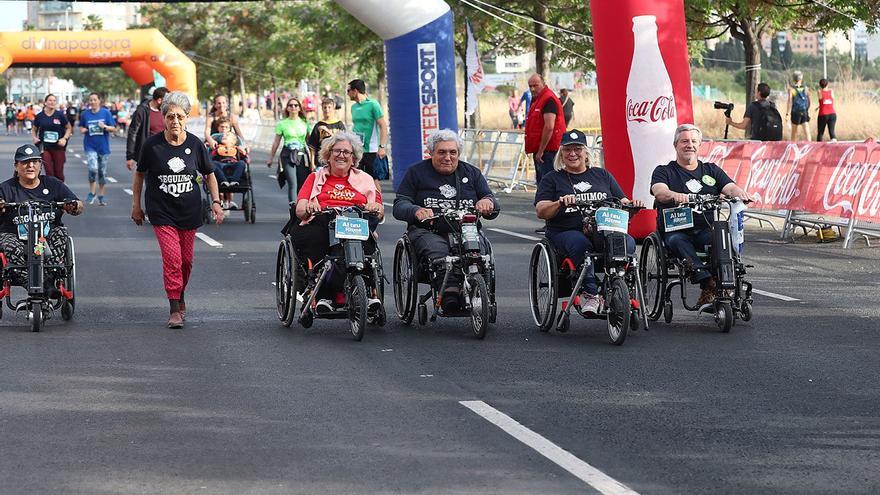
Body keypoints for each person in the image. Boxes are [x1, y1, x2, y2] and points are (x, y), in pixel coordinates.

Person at [130, 92, 224, 329]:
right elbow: (139, 175)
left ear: (187, 118)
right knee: (172, 259)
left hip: (189, 211)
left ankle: (180, 294)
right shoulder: (152, 146)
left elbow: (209, 175)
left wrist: (216, 202)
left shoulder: (195, 144)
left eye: (180, 116)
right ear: (163, 118)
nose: (175, 121)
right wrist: (136, 206)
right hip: (161, 211)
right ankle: (174, 308)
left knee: (186, 261)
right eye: (170, 116)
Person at [534, 129, 642, 314]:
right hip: (565, 230)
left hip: (602, 229)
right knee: (580, 244)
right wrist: (559, 203)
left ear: (586, 152)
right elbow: (541, 210)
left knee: (628, 242)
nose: (572, 154)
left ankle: (617, 286)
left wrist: (633, 205)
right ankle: (590, 293)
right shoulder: (552, 178)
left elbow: (622, 201)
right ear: (561, 153)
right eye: (567, 150)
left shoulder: (602, 175)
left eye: (577, 149)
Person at [393, 129, 499, 312]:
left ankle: (479, 291)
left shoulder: (472, 173)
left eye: (452, 152)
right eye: (441, 152)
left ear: (458, 154)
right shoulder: (416, 172)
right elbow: (399, 205)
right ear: (431, 152)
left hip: (466, 229)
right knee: (440, 252)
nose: (447, 157)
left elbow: (491, 200)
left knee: (480, 253)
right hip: (428, 230)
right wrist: (416, 210)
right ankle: (449, 293)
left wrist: (487, 202)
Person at [649, 124, 753, 307]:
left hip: (705, 227)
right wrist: (675, 196)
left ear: (699, 145)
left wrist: (740, 193)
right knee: (677, 241)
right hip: (677, 229)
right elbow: (659, 191)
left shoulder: (711, 170)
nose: (689, 145)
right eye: (684, 141)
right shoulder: (664, 171)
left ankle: (725, 283)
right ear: (675, 145)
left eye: (693, 141)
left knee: (721, 237)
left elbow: (729, 187)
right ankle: (707, 282)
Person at [288, 131, 383, 312]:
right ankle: (326, 294)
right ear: (328, 155)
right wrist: (308, 207)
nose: (341, 155)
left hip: (354, 223)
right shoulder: (315, 178)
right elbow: (299, 210)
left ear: (353, 158)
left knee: (365, 246)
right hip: (322, 222)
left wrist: (375, 207)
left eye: (346, 152)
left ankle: (366, 292)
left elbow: (379, 210)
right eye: (336, 151)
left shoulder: (365, 179)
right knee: (327, 244)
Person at [0, 144, 83, 288]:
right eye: (25, 162)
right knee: (6, 241)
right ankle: (32, 283)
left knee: (61, 232)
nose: (30, 166)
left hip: (46, 241)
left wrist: (73, 206)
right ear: (16, 166)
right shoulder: (6, 188)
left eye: (34, 162)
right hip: (17, 240)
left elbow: (78, 205)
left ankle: (49, 278)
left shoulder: (53, 184)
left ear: (40, 165)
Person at [267, 97, 312, 202]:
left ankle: (301, 211)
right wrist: (271, 158)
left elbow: (310, 143)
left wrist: (313, 160)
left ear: (299, 108)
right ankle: (293, 209)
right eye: (290, 105)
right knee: (293, 183)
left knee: (302, 183)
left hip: (302, 155)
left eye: (296, 105)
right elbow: (276, 142)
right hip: (287, 155)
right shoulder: (282, 124)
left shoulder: (305, 123)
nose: (293, 107)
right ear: (287, 108)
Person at [524, 73, 566, 185]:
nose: (532, 89)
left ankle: (547, 202)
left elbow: (549, 127)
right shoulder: (538, 99)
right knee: (543, 182)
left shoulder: (548, 100)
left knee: (547, 183)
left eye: (535, 85)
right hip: (543, 150)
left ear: (543, 84)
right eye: (530, 86)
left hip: (548, 151)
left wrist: (541, 150)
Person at [79, 92, 117, 206]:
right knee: (93, 169)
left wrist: (104, 127)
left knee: (102, 172)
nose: (93, 102)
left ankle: (101, 195)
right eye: (91, 100)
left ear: (99, 101)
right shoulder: (85, 114)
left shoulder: (105, 113)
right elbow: (81, 126)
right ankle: (92, 192)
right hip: (90, 146)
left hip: (103, 147)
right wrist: (83, 130)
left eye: (95, 100)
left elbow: (114, 129)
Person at [347, 79, 388, 185]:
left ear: (355, 91)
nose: (347, 94)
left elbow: (383, 126)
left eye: (348, 91)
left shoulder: (373, 105)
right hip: (357, 149)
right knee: (355, 178)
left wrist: (382, 147)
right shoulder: (353, 107)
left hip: (371, 149)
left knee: (373, 180)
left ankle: (378, 202)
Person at [32, 93, 72, 182]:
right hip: (44, 147)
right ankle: (51, 193)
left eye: (54, 100)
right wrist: (34, 138)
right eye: (50, 100)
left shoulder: (60, 115)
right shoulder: (40, 116)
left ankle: (60, 191)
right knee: (49, 171)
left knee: (59, 173)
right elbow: (34, 129)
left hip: (58, 147)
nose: (52, 102)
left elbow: (69, 128)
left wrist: (64, 138)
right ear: (45, 102)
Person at [126, 86, 168, 171]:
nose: (169, 103)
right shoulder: (142, 111)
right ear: (159, 100)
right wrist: (130, 156)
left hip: (165, 153)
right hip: (148, 153)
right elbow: (132, 133)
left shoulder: (166, 111)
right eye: (167, 100)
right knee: (150, 181)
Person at [210, 117, 248, 208]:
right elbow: (211, 157)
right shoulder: (217, 147)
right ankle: (223, 181)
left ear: (233, 141)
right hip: (221, 165)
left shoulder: (236, 148)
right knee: (214, 164)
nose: (224, 136)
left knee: (242, 163)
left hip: (233, 164)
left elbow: (245, 157)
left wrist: (243, 152)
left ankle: (235, 181)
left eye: (227, 137)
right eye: (223, 136)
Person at [307, 97, 346, 166]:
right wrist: (312, 163)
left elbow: (344, 143)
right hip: (321, 162)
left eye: (329, 107)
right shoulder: (318, 125)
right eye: (325, 107)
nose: (327, 110)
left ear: (333, 107)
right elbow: (313, 147)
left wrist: (327, 131)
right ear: (322, 108)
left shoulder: (339, 124)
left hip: (337, 160)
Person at [786, 71, 811, 141]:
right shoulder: (806, 88)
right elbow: (809, 101)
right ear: (801, 78)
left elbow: (790, 101)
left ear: (793, 79)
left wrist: (787, 113)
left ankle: (793, 146)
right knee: (807, 131)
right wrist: (807, 109)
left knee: (794, 132)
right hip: (804, 111)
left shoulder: (791, 89)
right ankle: (810, 146)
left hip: (795, 112)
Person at [816, 78, 837, 142]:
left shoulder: (819, 92)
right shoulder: (831, 91)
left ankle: (818, 147)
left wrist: (820, 106)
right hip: (832, 114)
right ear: (827, 84)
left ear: (820, 85)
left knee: (820, 132)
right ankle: (835, 146)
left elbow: (822, 100)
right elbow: (830, 101)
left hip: (823, 114)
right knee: (832, 132)